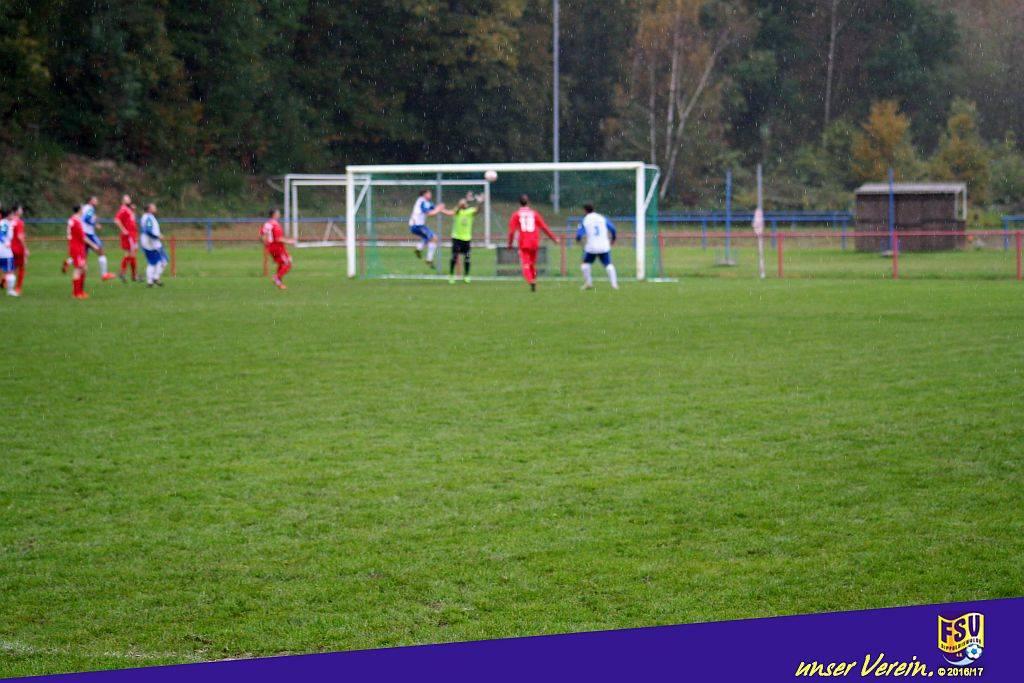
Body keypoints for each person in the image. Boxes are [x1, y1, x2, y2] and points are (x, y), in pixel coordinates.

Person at [507, 194, 558, 292]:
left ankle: (531, 280)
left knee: (525, 264)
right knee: (532, 264)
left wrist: (510, 244)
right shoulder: (534, 214)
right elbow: (544, 227)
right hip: (534, 242)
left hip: (523, 242)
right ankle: (534, 279)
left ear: (519, 203)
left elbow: (511, 232)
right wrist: (554, 238)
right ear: (528, 202)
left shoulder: (516, 215)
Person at [576, 204, 619, 291]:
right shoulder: (601, 218)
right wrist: (613, 239)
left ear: (585, 211)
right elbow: (613, 229)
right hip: (604, 246)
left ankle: (588, 283)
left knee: (585, 265)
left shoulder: (585, 220)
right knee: (608, 265)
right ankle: (614, 285)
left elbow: (579, 235)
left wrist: (579, 240)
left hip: (591, 247)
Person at [446, 193, 481, 284]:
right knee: (454, 257)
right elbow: (454, 211)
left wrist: (479, 202)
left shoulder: (470, 211)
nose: (463, 204)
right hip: (457, 238)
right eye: (462, 203)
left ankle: (466, 275)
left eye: (464, 203)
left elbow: (477, 210)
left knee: (467, 258)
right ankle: (451, 275)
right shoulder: (457, 212)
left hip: (466, 239)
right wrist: (462, 203)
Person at [81, 196, 117, 281]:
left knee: (83, 256)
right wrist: (95, 224)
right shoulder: (90, 209)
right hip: (89, 234)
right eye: (95, 200)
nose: (97, 201)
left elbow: (83, 218)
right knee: (101, 252)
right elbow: (86, 219)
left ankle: (69, 262)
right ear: (90, 201)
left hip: (83, 233)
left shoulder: (84, 207)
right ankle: (104, 275)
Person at [409, 189, 445, 267]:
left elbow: (435, 208)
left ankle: (419, 249)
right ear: (424, 194)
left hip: (417, 226)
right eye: (429, 193)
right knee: (434, 238)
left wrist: (441, 209)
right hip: (417, 226)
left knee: (429, 238)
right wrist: (439, 209)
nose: (430, 195)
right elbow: (430, 213)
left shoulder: (425, 202)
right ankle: (428, 259)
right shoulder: (422, 201)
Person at [260, 208, 294, 290]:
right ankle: (276, 277)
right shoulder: (275, 225)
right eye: (278, 213)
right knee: (288, 263)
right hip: (277, 247)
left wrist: (267, 244)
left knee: (282, 264)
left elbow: (262, 235)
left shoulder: (267, 224)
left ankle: (279, 283)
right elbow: (278, 238)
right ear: (274, 214)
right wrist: (289, 241)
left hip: (271, 248)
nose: (279, 215)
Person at [139, 203, 167, 287]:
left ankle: (150, 282)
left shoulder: (145, 217)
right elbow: (148, 230)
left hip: (146, 242)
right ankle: (155, 277)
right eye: (153, 207)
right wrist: (158, 236)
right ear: (149, 209)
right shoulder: (148, 218)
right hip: (152, 243)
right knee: (164, 260)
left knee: (152, 262)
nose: (155, 208)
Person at [114, 195, 139, 282]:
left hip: (132, 235)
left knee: (130, 254)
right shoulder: (123, 209)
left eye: (129, 199)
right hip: (128, 235)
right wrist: (123, 230)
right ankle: (129, 274)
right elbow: (116, 220)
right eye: (127, 199)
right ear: (123, 201)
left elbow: (131, 220)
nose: (129, 200)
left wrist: (133, 210)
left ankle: (130, 275)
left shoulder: (128, 210)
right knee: (131, 254)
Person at [67, 205, 89, 299]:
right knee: (78, 269)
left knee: (84, 268)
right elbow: (83, 237)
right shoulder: (76, 221)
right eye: (82, 209)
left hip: (77, 247)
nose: (83, 211)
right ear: (79, 210)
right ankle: (76, 293)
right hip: (77, 247)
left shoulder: (72, 219)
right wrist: (94, 245)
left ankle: (80, 291)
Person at [10, 204, 27, 295]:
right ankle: (18, 288)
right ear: (16, 211)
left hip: (9, 248)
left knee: (11, 267)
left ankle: (6, 282)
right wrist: (25, 248)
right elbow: (20, 236)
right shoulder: (19, 222)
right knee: (21, 268)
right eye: (20, 209)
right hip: (18, 248)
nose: (22, 210)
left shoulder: (9, 220)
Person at [0, 209, 18, 296]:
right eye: (12, 214)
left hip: (3, 250)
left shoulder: (7, 223)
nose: (13, 216)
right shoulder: (4, 223)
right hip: (4, 251)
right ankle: (10, 291)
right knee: (10, 272)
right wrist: (5, 242)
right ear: (8, 215)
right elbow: (1, 234)